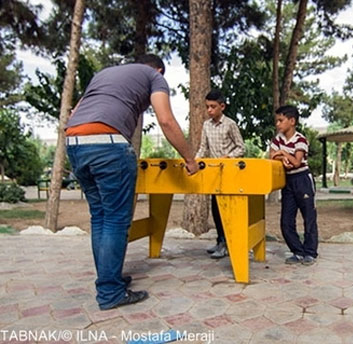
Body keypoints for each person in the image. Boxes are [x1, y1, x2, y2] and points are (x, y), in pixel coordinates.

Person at [65, 54, 199, 310]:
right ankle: (110, 293)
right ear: (159, 69)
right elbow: (166, 120)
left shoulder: (103, 74)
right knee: (115, 220)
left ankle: (109, 279)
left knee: (100, 218)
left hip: (75, 143)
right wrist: (189, 159)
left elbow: (75, 111)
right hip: (109, 145)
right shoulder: (154, 77)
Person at [196, 90, 245, 259]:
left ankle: (230, 243)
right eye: (207, 107)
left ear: (222, 107)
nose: (209, 110)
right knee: (216, 210)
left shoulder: (230, 124)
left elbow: (241, 147)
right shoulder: (206, 125)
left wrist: (228, 158)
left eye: (213, 107)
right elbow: (203, 148)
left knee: (228, 211)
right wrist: (195, 161)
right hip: (214, 174)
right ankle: (220, 241)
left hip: (230, 173)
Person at [269, 105, 319, 265]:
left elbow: (297, 162)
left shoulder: (300, 140)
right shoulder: (277, 140)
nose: (278, 124)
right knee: (286, 220)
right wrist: (284, 158)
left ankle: (310, 252)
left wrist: (283, 154)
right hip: (287, 181)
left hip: (302, 179)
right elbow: (272, 157)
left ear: (292, 121)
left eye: (281, 120)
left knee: (309, 217)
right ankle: (297, 251)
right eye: (276, 120)